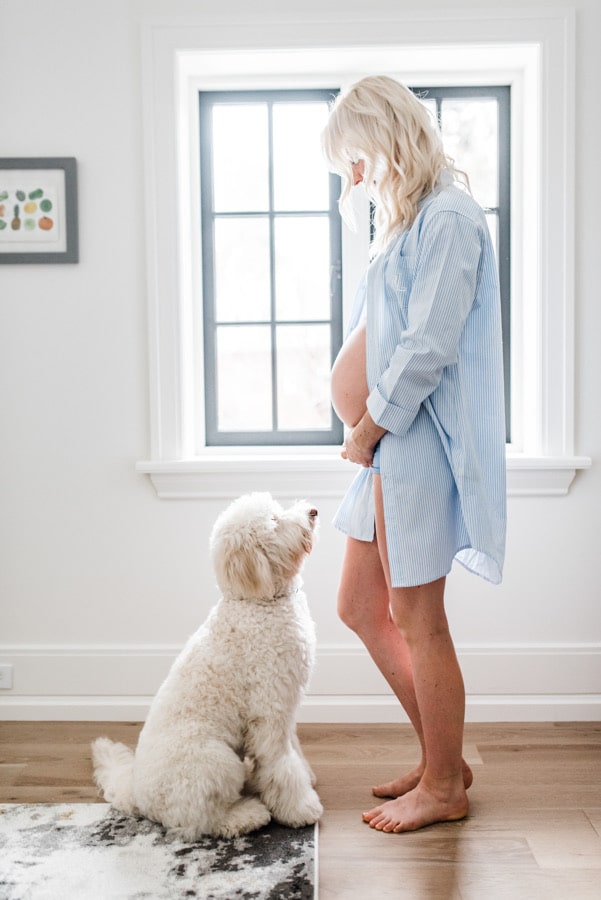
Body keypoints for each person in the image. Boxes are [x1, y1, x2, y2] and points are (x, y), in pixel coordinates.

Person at [322, 75, 506, 833]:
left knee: (417, 616)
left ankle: (442, 785)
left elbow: (428, 343)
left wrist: (367, 426)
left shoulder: (450, 217)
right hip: (385, 450)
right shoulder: (401, 220)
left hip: (411, 441)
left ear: (383, 137)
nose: (353, 179)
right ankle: (445, 759)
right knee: (360, 607)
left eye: (354, 162)